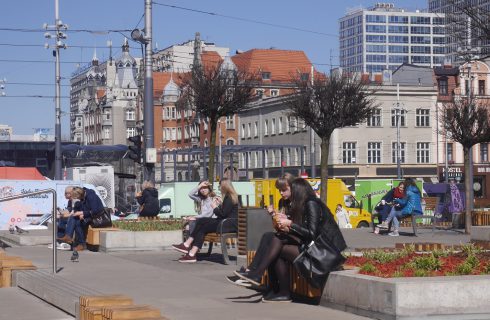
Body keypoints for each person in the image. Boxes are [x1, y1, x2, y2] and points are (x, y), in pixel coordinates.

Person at [235, 178, 347, 303]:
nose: (288, 193)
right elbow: (305, 230)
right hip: (316, 248)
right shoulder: (304, 204)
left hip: (324, 254)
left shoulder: (312, 204)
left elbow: (311, 234)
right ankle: (259, 276)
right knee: (270, 237)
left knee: (277, 245)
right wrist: (288, 225)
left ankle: (268, 281)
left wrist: (290, 224)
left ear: (299, 191)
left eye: (291, 190)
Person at [226, 173, 295, 289]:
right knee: (268, 236)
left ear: (293, 187)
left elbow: (295, 226)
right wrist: (274, 216)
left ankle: (254, 273)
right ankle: (251, 272)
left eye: (284, 190)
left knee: (271, 239)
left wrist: (287, 222)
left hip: (295, 239)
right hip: (286, 235)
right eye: (279, 190)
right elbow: (278, 227)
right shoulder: (283, 202)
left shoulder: (298, 203)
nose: (281, 193)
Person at [172, 178, 239, 263]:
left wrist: (214, 206)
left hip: (227, 224)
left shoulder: (229, 197)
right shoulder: (230, 197)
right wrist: (220, 204)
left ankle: (187, 246)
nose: (219, 188)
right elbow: (225, 212)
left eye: (220, 186)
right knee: (202, 226)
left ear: (224, 186)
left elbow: (223, 214)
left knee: (201, 222)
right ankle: (191, 253)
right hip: (226, 223)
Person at [58, 186, 106, 251]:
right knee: (72, 217)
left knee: (78, 222)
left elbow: (95, 211)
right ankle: (67, 237)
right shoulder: (83, 197)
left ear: (80, 195)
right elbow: (79, 208)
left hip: (97, 217)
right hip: (88, 215)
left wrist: (82, 213)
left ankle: (81, 244)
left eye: (77, 197)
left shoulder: (91, 196)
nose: (77, 199)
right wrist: (79, 212)